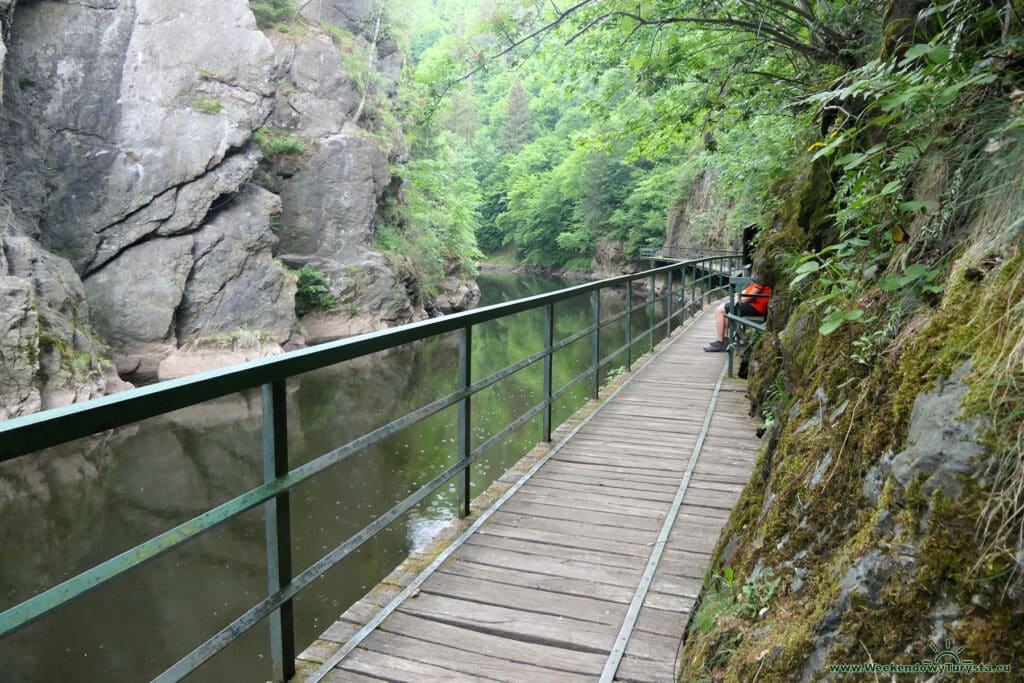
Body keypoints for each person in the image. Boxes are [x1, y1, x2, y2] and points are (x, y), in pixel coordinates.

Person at [703, 283, 771, 352]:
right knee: (724, 308)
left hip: (757, 308)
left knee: (720, 310)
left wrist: (736, 300)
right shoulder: (760, 280)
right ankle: (725, 339)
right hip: (755, 306)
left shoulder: (761, 280)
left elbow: (750, 297)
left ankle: (720, 342)